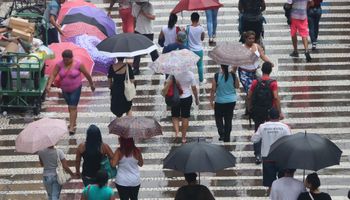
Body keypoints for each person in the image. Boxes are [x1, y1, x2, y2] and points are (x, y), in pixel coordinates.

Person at [46, 50, 95, 135]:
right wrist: (49, 85)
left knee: (72, 106)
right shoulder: (59, 64)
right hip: (64, 89)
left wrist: (91, 84)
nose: (66, 61)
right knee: (71, 106)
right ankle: (74, 121)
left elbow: (87, 74)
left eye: (68, 60)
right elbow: (53, 74)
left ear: (72, 58)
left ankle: (71, 126)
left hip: (76, 88)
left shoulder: (78, 64)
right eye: (64, 60)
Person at [247, 61, 282, 164]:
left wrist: (249, 108)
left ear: (261, 70)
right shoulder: (273, 83)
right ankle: (270, 151)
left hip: (257, 111)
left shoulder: (255, 82)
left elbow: (249, 96)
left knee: (258, 130)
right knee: (270, 129)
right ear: (270, 71)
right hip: (269, 111)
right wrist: (279, 111)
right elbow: (275, 97)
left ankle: (257, 155)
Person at [251, 108, 292, 191]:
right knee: (283, 182)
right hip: (281, 158)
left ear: (269, 116)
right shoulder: (285, 127)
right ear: (279, 116)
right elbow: (290, 141)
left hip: (267, 158)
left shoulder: (262, 127)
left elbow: (254, 139)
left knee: (270, 184)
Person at [238, 31, 271, 113]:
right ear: (245, 39)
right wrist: (233, 72)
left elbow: (263, 56)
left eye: (253, 38)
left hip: (254, 73)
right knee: (249, 91)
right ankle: (249, 108)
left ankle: (250, 106)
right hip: (244, 73)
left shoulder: (257, 46)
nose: (252, 40)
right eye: (249, 38)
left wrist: (270, 63)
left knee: (255, 90)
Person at [166, 71, 199, 144]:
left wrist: (176, 83)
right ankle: (184, 137)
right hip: (187, 97)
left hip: (175, 97)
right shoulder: (190, 74)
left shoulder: (173, 73)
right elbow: (194, 88)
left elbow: (166, 83)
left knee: (175, 116)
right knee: (185, 117)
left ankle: (177, 133)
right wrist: (196, 98)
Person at [209, 65, 239, 142]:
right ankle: (227, 136)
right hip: (231, 101)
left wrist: (211, 101)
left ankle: (221, 134)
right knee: (228, 118)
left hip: (219, 101)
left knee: (218, 118)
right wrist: (235, 75)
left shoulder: (216, 76)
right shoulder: (232, 75)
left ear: (221, 67)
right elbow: (237, 86)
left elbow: (213, 89)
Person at [132, 0, 159, 75]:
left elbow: (153, 17)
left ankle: (157, 67)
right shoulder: (134, 5)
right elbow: (134, 18)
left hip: (148, 32)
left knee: (152, 50)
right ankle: (136, 68)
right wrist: (134, 28)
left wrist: (144, 14)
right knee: (137, 51)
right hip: (138, 31)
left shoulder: (149, 6)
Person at [186, 12, 205, 84]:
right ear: (198, 19)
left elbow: (185, 37)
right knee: (200, 66)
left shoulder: (188, 28)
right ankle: (201, 81)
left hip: (190, 50)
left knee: (189, 66)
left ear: (191, 19)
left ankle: (189, 80)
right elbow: (202, 38)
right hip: (199, 50)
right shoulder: (201, 28)